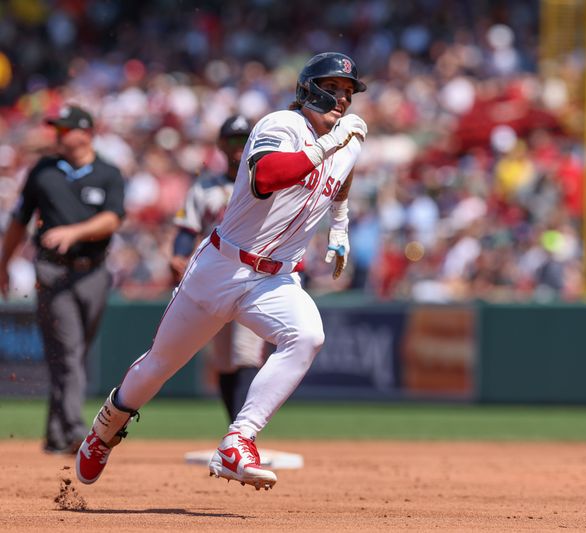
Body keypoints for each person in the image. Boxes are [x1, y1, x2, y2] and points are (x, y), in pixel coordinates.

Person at [75, 52, 368, 490]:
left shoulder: (347, 139)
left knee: (308, 336)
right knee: (159, 366)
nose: (342, 99)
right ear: (307, 88)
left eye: (348, 92)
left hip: (275, 278)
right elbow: (267, 176)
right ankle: (104, 430)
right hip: (222, 265)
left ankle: (238, 440)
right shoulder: (279, 126)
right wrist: (329, 144)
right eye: (334, 87)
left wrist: (340, 223)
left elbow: (342, 176)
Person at [0, 105, 125, 454]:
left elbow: (113, 219)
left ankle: (55, 433)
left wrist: (74, 231)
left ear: (86, 132)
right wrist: (3, 263)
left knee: (72, 354)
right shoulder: (43, 171)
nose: (59, 134)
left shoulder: (107, 173)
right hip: (53, 271)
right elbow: (18, 220)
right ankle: (73, 432)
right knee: (68, 354)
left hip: (94, 271)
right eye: (57, 128)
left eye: (65, 128)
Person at [171, 114, 269, 423]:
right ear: (221, 145)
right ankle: (235, 429)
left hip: (253, 275)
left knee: (246, 353)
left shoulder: (263, 181)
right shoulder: (205, 186)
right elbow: (187, 229)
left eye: (244, 139)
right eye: (233, 140)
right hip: (215, 275)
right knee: (225, 359)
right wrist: (178, 255)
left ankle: (244, 433)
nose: (238, 147)